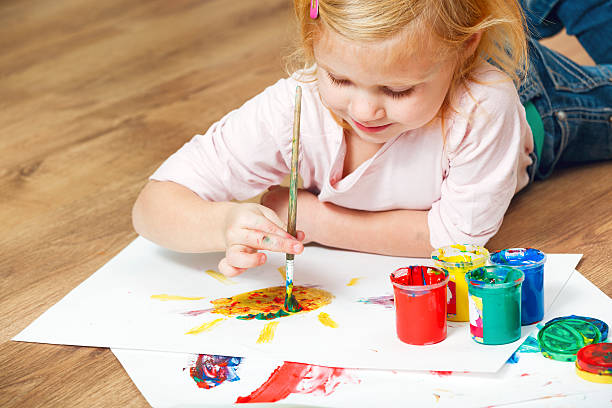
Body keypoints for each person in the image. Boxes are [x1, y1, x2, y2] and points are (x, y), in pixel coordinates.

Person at [132, 0, 611, 277]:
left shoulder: (485, 105)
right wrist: (223, 222)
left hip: (541, 104)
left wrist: (312, 219)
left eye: (397, 89)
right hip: (459, 39)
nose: (363, 111)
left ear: (462, 51)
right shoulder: (293, 107)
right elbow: (154, 204)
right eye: (338, 79)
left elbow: (455, 240)